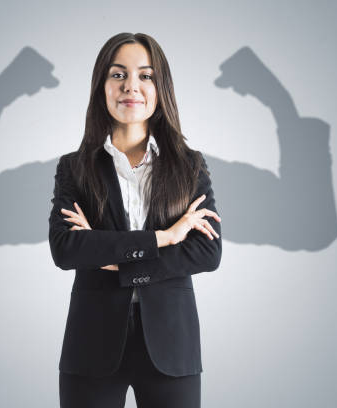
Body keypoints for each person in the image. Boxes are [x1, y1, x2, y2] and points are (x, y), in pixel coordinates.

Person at [48, 32, 222, 408]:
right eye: (118, 75)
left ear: (161, 88)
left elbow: (206, 253)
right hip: (91, 344)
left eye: (145, 75)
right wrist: (165, 237)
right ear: (102, 86)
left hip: (171, 346)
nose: (131, 86)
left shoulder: (189, 166)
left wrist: (114, 259)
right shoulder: (75, 168)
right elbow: (66, 249)